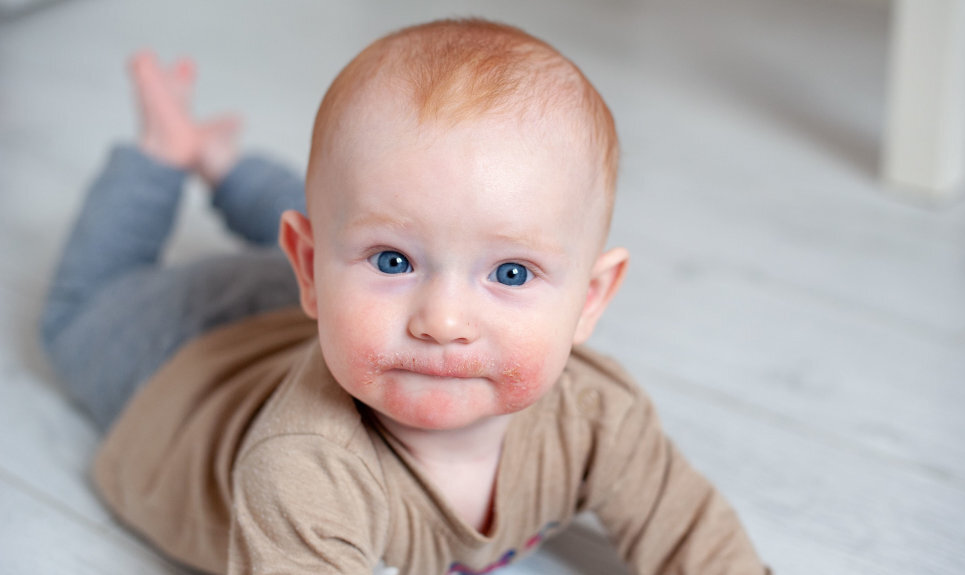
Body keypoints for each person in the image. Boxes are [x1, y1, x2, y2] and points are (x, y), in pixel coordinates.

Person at [40, 18, 769, 575]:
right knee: (75, 318)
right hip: (179, 373)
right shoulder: (302, 470)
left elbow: (694, 538)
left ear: (591, 296)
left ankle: (227, 165)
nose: (443, 320)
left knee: (381, 211)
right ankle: (161, 154)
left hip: (327, 310)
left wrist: (380, 264)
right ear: (310, 268)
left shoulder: (600, 418)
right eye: (396, 262)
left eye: (510, 273)